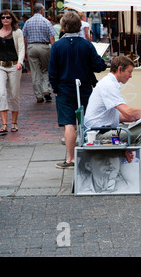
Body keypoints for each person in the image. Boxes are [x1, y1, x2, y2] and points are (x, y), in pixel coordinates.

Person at [84, 55, 141, 191]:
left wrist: (126, 118)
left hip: (101, 129)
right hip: (99, 134)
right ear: (119, 69)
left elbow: (110, 114)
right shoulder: (109, 85)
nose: (130, 76)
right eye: (129, 72)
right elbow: (127, 111)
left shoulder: (109, 83)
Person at [49, 11, 107, 169]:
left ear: (63, 26)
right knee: (89, 121)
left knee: (69, 123)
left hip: (64, 88)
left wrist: (55, 88)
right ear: (79, 26)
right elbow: (98, 66)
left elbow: (52, 71)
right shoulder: (86, 45)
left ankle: (71, 159)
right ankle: (91, 155)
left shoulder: (57, 46)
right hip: (85, 88)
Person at [0, 10, 25, 133]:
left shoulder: (17, 32)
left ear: (12, 19)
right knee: (2, 93)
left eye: (8, 17)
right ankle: (4, 124)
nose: (5, 19)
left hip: (14, 65)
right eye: (3, 17)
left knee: (14, 95)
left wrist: (20, 62)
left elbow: (21, 48)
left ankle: (14, 122)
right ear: (0, 20)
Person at [22, 2, 56, 103]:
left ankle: (39, 95)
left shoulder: (28, 22)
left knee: (35, 71)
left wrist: (24, 51)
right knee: (46, 69)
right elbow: (52, 37)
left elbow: (24, 37)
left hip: (31, 47)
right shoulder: (46, 21)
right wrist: (54, 50)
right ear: (42, 11)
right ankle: (46, 90)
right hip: (44, 46)